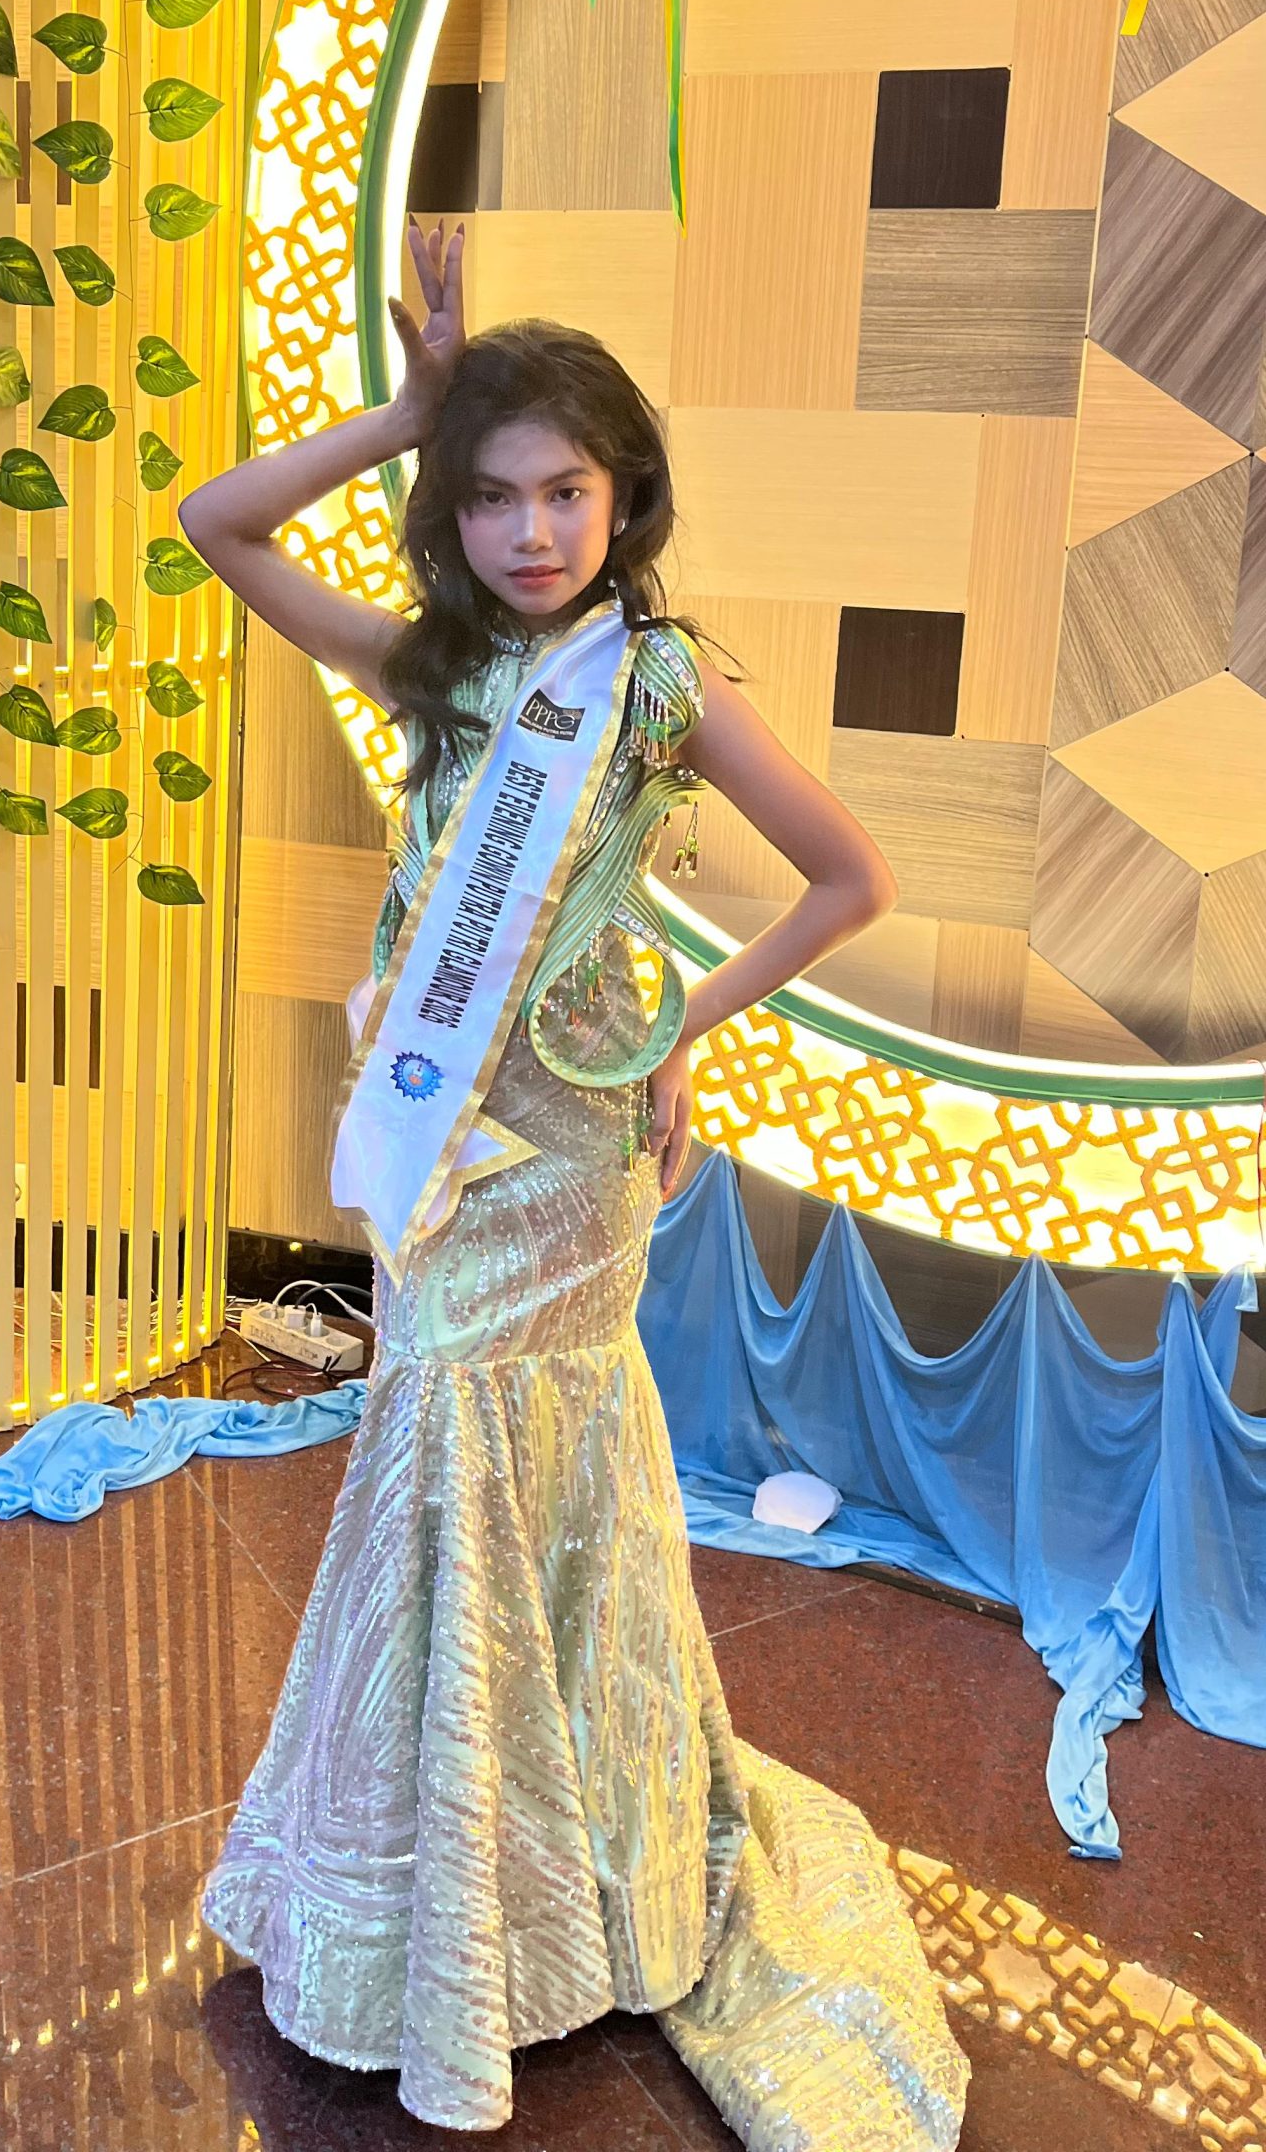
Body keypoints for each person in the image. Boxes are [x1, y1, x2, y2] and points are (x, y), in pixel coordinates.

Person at [177, 220, 969, 2147]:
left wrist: (687, 1021)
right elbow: (217, 523)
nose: (532, 531)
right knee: (437, 1446)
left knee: (550, 1467)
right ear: (454, 515)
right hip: (451, 1145)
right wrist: (409, 413)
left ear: (625, 502)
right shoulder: (439, 671)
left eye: (565, 492)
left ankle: (565, 1874)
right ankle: (440, 1888)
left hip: (580, 1148)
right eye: (494, 493)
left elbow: (850, 877)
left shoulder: (657, 682)